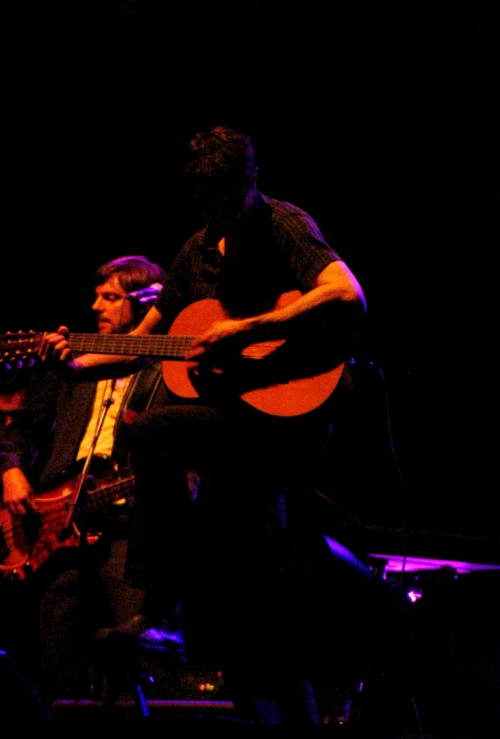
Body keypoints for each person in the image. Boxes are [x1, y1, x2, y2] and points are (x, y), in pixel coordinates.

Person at [40, 127, 373, 724]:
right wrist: (76, 361)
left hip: (287, 419)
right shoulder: (196, 250)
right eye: (205, 202)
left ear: (247, 184)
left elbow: (347, 294)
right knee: (239, 581)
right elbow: (146, 346)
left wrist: (244, 331)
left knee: (154, 437)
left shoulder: (284, 226)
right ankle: (259, 692)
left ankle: (159, 599)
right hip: (235, 426)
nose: (216, 213)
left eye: (225, 199)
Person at [0, 254, 170, 707]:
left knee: (136, 651)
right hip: (61, 528)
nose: (97, 306)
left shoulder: (164, 369)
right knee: (57, 648)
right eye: (97, 296)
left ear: (143, 306)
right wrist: (10, 471)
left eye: (111, 297)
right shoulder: (73, 371)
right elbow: (15, 433)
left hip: (128, 527)